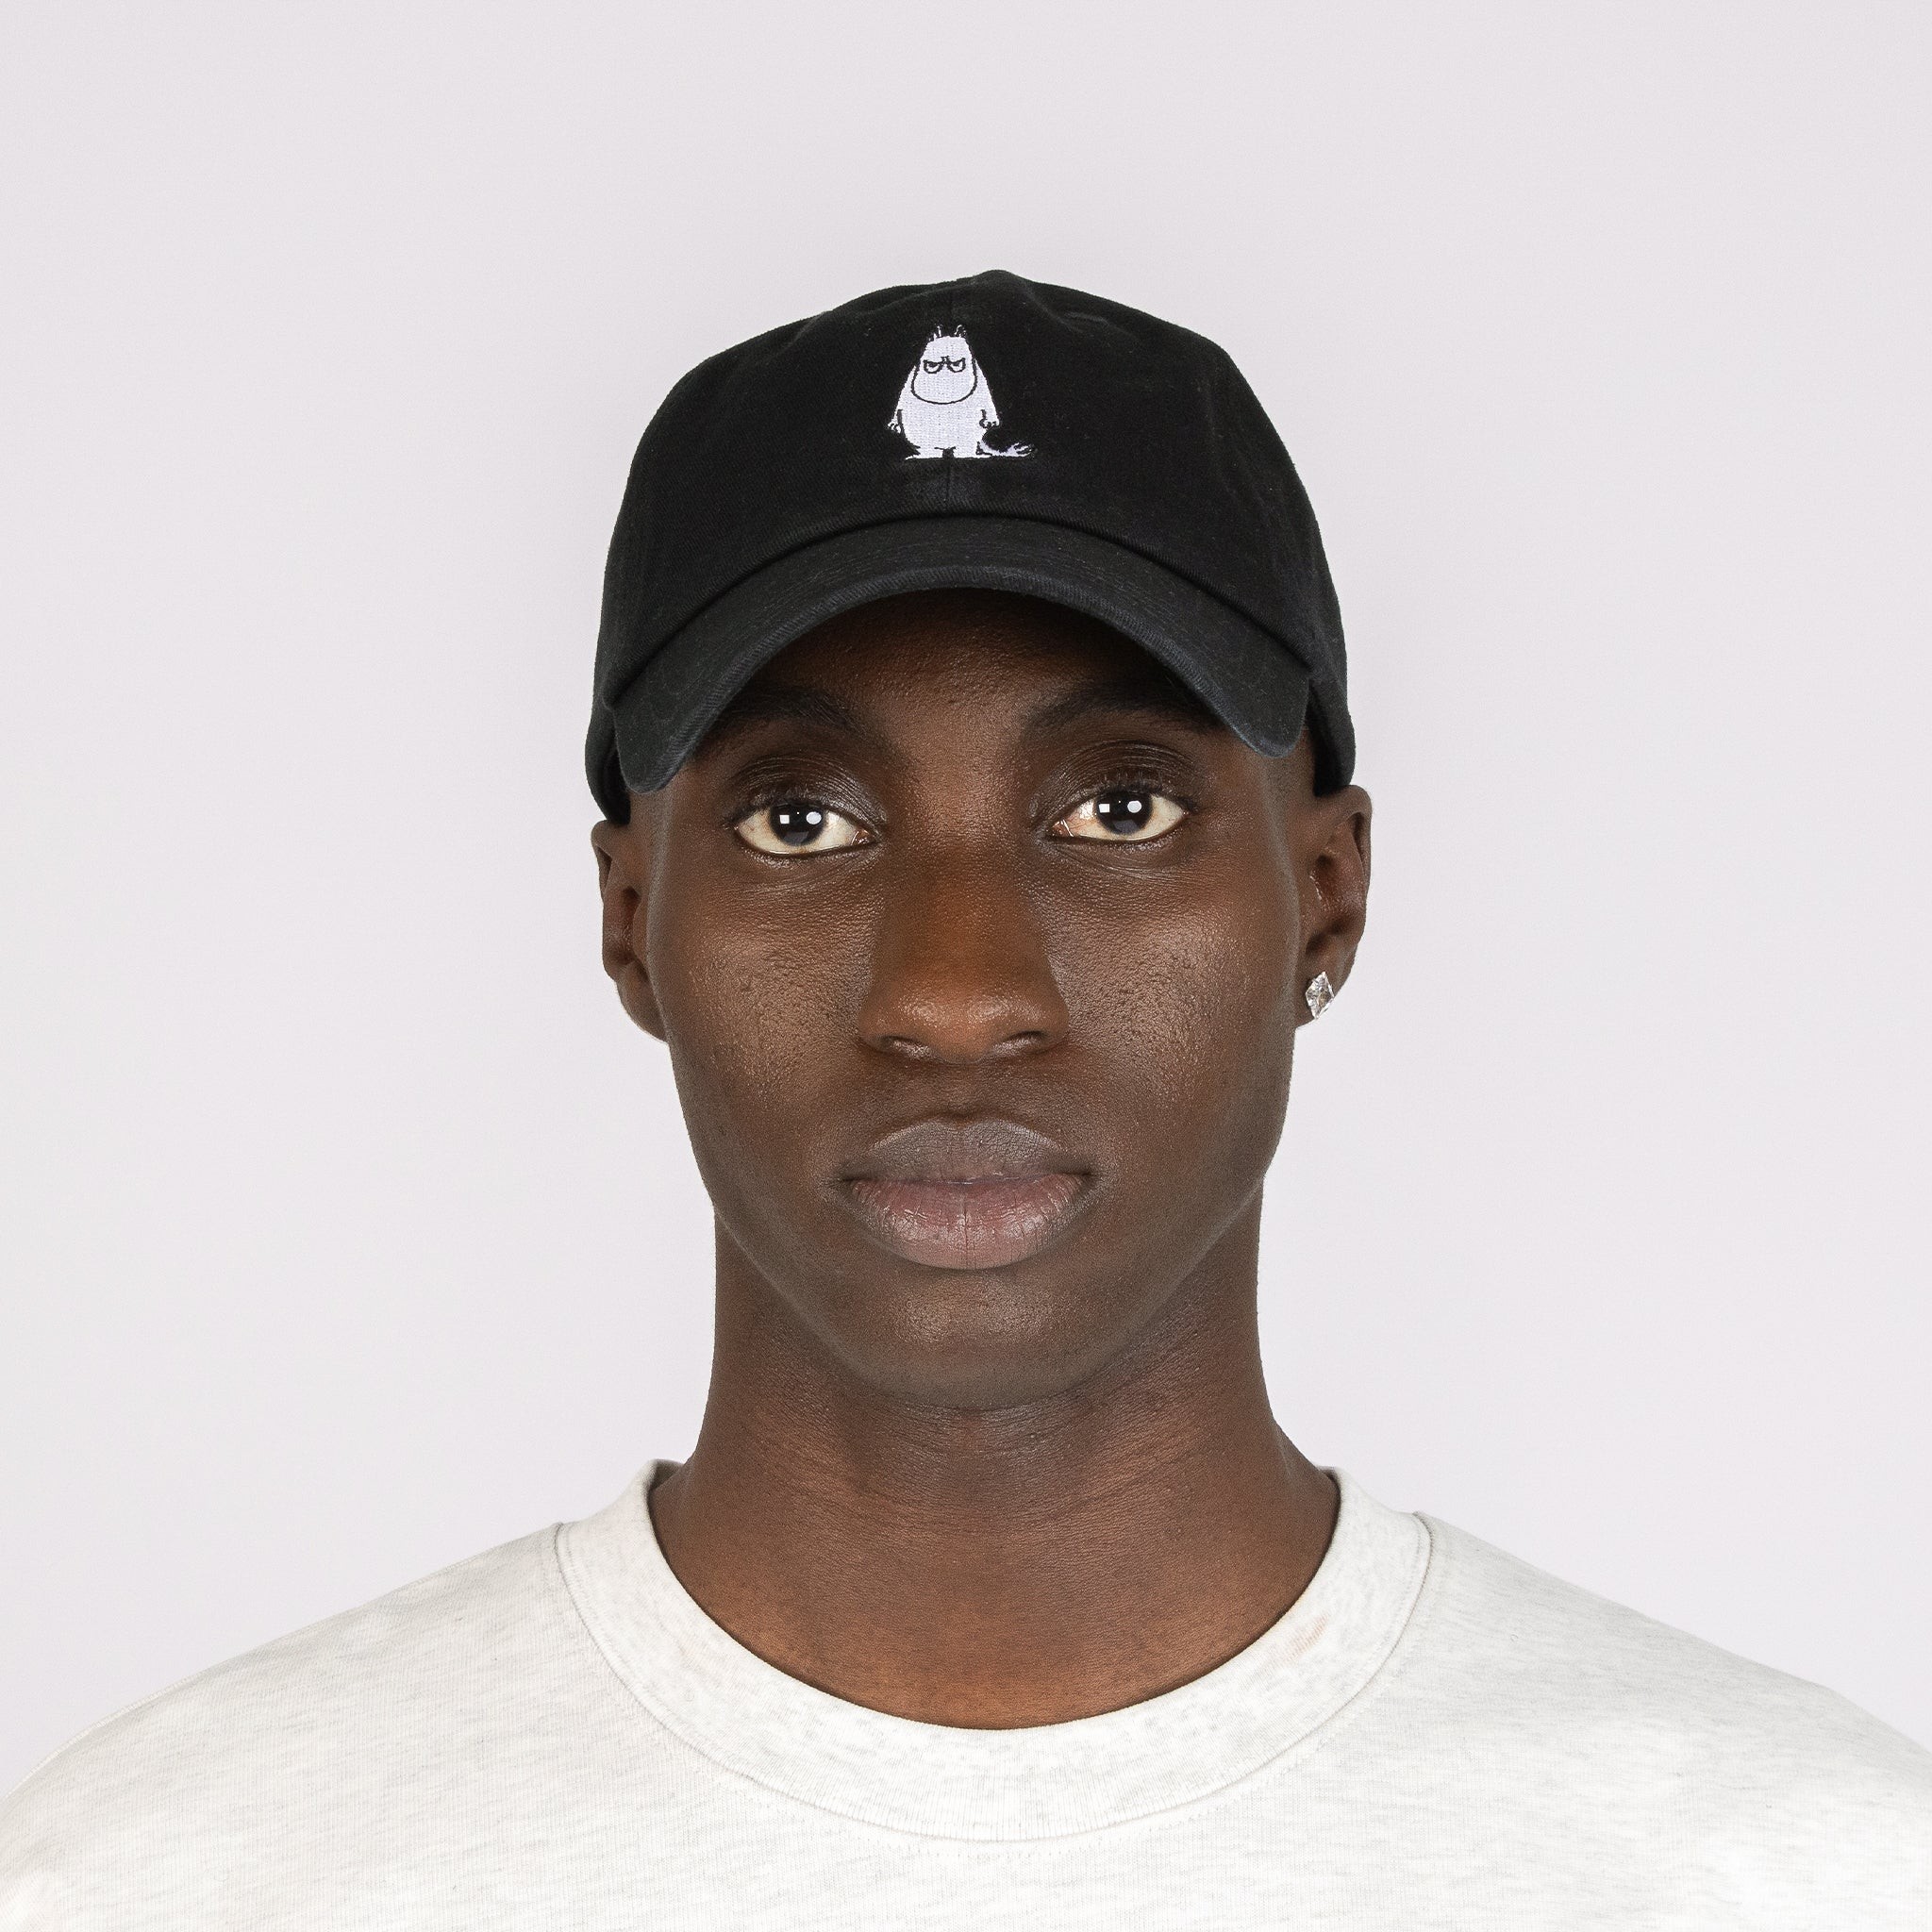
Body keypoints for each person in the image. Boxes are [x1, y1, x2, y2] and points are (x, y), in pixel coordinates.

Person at [3, 270, 1926, 1927]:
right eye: (801, 820)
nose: (954, 995)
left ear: (1324, 896)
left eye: (1120, 808)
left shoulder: (1801, 1873)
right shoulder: (173, 1876)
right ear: (632, 921)